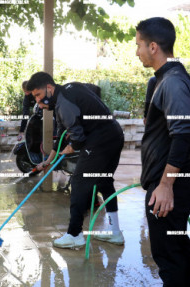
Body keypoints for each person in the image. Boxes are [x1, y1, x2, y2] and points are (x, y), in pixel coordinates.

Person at [26, 72, 125, 249]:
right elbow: (63, 134)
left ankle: (74, 234)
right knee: (104, 182)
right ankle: (115, 231)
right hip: (114, 135)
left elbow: (77, 139)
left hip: (100, 141)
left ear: (49, 88)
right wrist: (48, 160)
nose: (39, 103)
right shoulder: (68, 91)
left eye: (38, 96)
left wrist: (71, 147)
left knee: (79, 182)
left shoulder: (63, 103)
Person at [136, 17, 190, 286]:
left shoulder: (172, 82)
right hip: (165, 184)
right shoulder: (164, 79)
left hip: (168, 189)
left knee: (169, 257)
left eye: (139, 45)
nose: (137, 52)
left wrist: (166, 185)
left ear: (153, 46)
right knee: (177, 249)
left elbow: (183, 133)